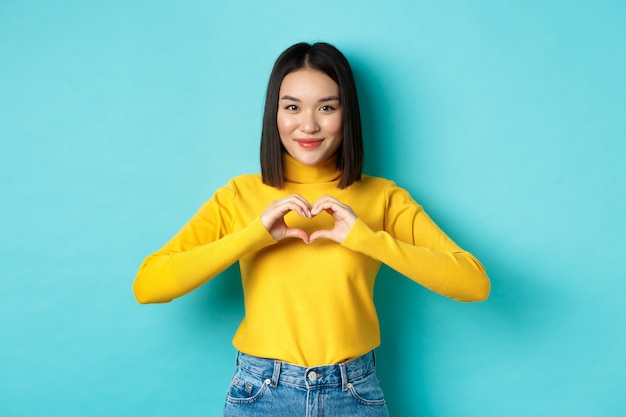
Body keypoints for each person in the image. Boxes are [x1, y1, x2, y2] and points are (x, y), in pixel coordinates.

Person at [134, 41, 490, 417]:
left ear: (345, 113)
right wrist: (254, 235)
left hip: (354, 393)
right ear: (275, 114)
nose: (309, 125)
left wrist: (365, 239)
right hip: (260, 393)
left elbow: (473, 283)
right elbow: (149, 285)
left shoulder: (383, 197)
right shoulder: (239, 194)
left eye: (326, 107)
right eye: (292, 107)